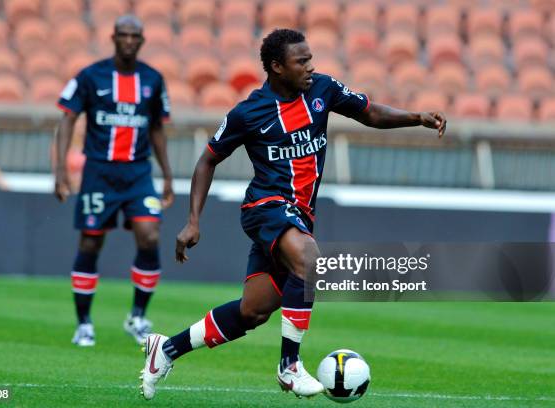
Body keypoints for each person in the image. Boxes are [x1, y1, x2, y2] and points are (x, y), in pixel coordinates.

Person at [140, 29, 446, 399]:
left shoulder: (323, 90)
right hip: (265, 207)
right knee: (310, 260)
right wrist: (193, 220)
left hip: (298, 216)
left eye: (310, 58)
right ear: (276, 66)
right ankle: (289, 366)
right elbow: (208, 160)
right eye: (301, 61)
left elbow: (370, 113)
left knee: (253, 310)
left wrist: (416, 117)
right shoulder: (248, 112)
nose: (310, 66)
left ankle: (167, 349)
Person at [55, 15, 174, 347]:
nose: (128, 40)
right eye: (123, 35)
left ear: (142, 40)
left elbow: (158, 129)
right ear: (113, 37)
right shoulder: (91, 76)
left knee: (149, 236)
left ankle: (137, 316)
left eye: (134, 35)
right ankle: (84, 323)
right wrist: (61, 171)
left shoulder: (153, 79)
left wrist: (166, 174)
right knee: (91, 243)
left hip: (138, 172)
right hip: (99, 173)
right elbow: (67, 119)